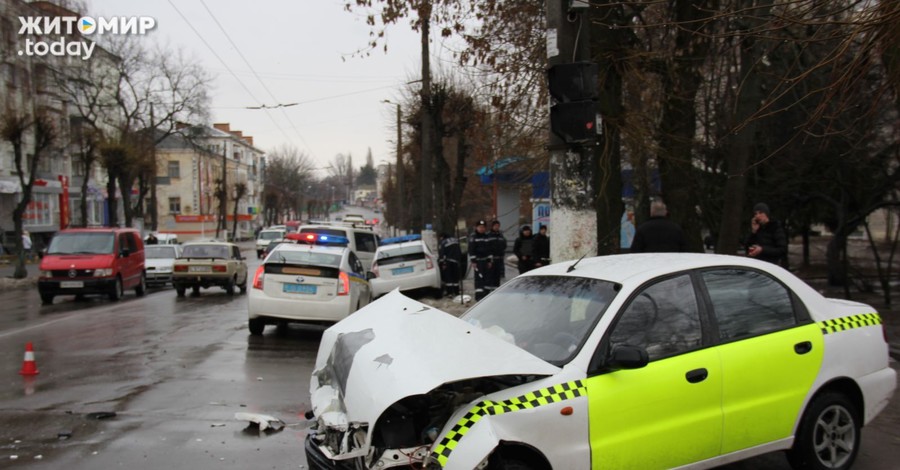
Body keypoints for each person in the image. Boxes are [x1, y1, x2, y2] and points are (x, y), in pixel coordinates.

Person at [468, 220, 493, 301]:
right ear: (477, 228)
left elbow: (489, 249)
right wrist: (473, 261)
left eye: (483, 227)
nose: (482, 229)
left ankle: (486, 294)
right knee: (479, 278)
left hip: (486, 261)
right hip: (478, 261)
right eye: (480, 227)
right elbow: (471, 250)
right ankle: (479, 296)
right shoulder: (473, 237)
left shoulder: (487, 237)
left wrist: (489, 260)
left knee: (487, 278)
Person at [487, 220, 506, 294]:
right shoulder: (488, 235)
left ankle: (496, 289)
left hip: (499, 258)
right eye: (495, 226)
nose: (497, 227)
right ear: (492, 226)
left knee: (498, 275)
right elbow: (487, 246)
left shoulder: (500, 235)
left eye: (498, 226)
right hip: (492, 258)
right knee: (490, 275)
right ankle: (490, 290)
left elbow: (504, 244)